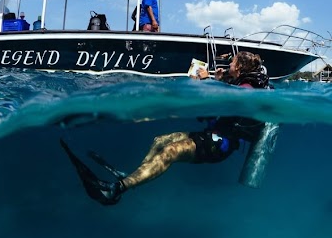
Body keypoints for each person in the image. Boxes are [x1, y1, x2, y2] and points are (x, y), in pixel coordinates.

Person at [60, 51, 271, 205]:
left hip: (220, 145)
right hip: (211, 135)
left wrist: (210, 83)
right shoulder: (235, 84)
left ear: (240, 68)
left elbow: (229, 103)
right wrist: (214, 82)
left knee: (170, 152)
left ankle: (117, 189)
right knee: (160, 140)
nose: (228, 65)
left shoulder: (246, 87)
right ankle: (136, 176)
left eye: (232, 62)